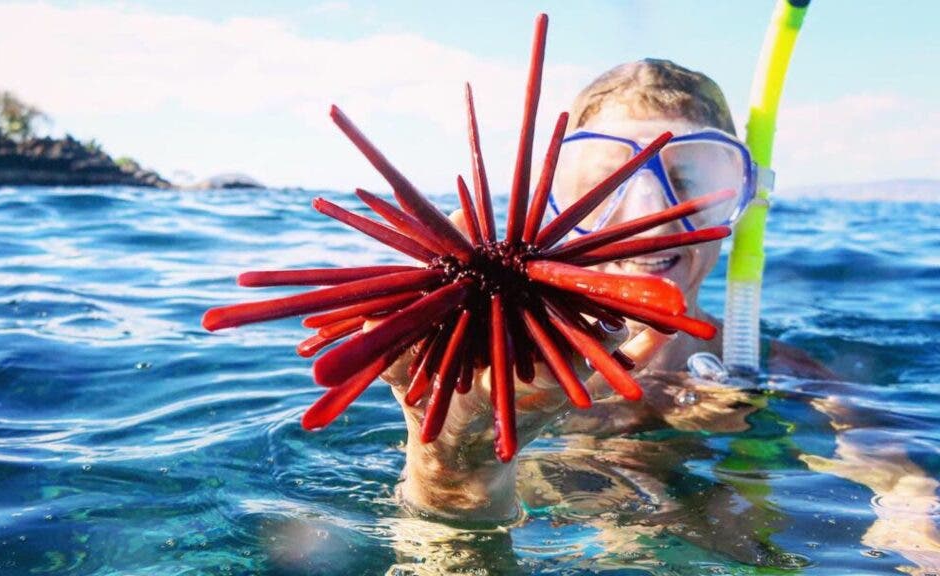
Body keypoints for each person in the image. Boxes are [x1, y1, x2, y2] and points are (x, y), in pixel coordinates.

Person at [377, 59, 940, 571]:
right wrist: (455, 463)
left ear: (743, 200)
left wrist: (913, 517)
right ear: (563, 198)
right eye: (606, 187)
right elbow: (443, 534)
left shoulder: (782, 372)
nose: (650, 219)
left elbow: (902, 481)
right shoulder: (507, 375)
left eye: (692, 182)